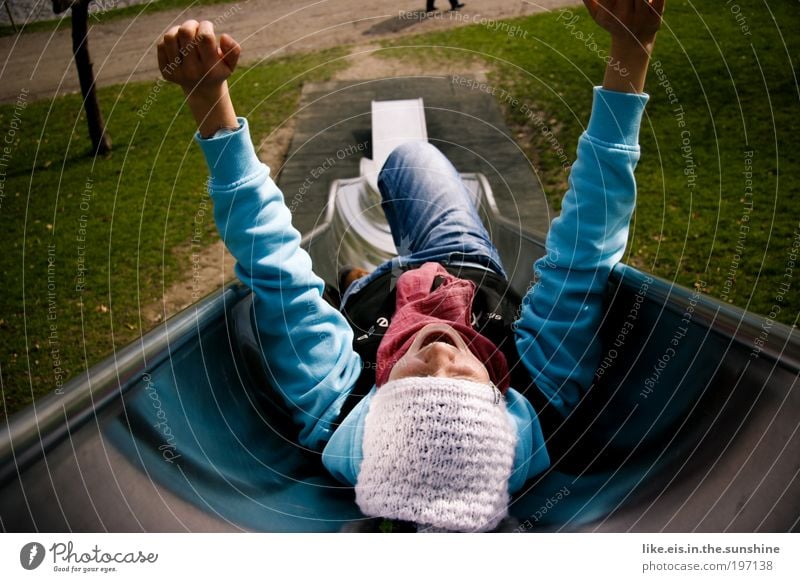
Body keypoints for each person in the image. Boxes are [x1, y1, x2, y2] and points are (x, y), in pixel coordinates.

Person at [157, 0, 666, 532]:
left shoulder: (334, 404)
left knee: (356, 285)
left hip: (373, 310)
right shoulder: (542, 386)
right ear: (501, 397)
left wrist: (209, 99)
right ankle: (367, 274)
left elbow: (272, 265)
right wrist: (632, 48)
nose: (443, 356)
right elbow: (589, 243)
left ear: (377, 408)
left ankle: (359, 281)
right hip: (459, 263)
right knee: (409, 159)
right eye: (464, 388)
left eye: (418, 389)